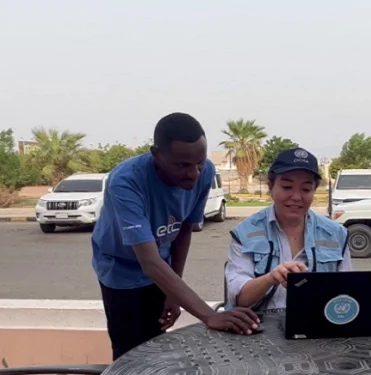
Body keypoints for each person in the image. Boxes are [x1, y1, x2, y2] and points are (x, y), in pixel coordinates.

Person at [91, 112, 260, 360]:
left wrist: (172, 293)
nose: (194, 173)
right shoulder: (126, 182)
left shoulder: (204, 173)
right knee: (129, 352)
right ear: (156, 154)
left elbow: (183, 230)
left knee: (156, 344)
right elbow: (148, 261)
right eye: (182, 165)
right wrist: (208, 315)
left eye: (199, 162)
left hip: (162, 264)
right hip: (121, 269)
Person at [224, 148, 352, 310]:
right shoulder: (244, 233)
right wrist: (270, 278)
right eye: (286, 187)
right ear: (271, 187)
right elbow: (239, 300)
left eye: (306, 189)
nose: (297, 197)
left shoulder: (337, 234)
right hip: (257, 326)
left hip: (317, 327)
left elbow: (347, 292)